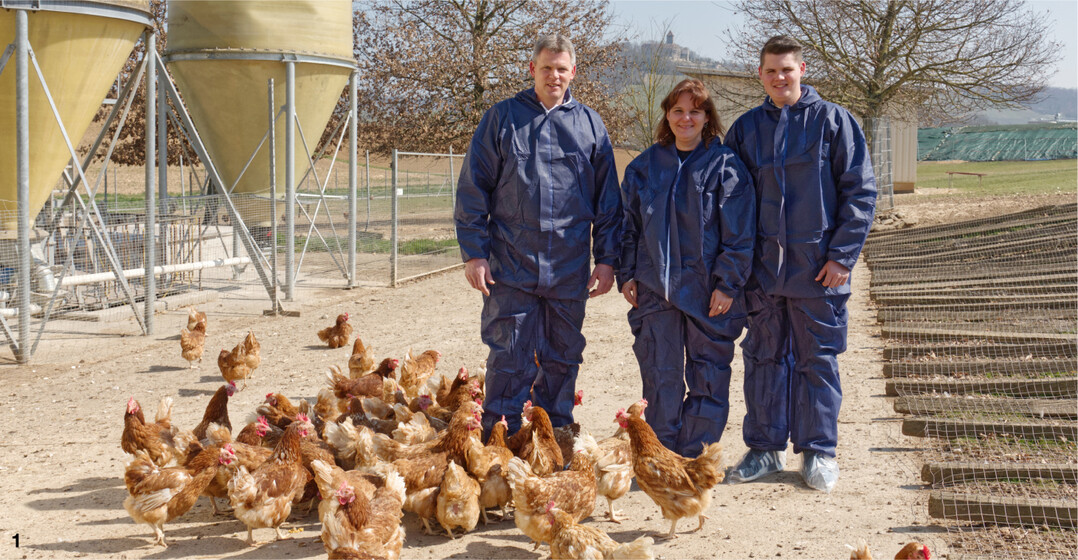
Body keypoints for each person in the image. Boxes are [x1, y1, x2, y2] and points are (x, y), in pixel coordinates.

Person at [723, 35, 877, 493]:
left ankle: (819, 452)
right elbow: (730, 201)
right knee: (763, 359)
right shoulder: (747, 129)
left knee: (818, 362)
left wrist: (842, 256)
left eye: (787, 69)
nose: (779, 78)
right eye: (771, 71)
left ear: (802, 70)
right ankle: (765, 449)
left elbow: (860, 192)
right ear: (760, 75)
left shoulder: (835, 122)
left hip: (818, 271)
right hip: (764, 273)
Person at [454, 33, 622, 436]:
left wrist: (608, 259)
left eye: (562, 69)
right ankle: (501, 439)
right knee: (509, 357)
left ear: (573, 73)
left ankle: (555, 439)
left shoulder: (590, 126)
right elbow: (473, 189)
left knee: (562, 357)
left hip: (568, 268)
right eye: (546, 67)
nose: (554, 75)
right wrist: (474, 253)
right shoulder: (503, 118)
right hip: (511, 265)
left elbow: (608, 202)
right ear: (532, 69)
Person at [618, 79, 755, 458]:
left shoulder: (726, 167)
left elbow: (740, 233)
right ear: (666, 114)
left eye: (695, 110)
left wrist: (727, 284)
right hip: (654, 289)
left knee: (708, 373)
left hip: (708, 290)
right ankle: (661, 455)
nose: (686, 118)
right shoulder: (644, 168)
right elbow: (627, 227)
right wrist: (626, 273)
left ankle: (694, 456)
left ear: (707, 116)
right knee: (659, 373)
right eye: (678, 110)